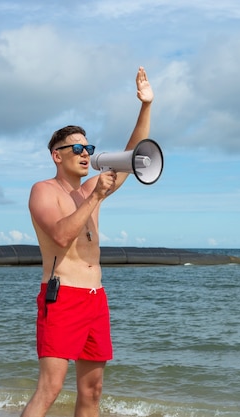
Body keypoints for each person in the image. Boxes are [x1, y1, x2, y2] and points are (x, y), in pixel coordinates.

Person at [21, 67, 153, 417]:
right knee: (49, 389)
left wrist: (146, 106)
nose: (85, 154)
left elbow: (133, 156)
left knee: (92, 392)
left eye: (88, 147)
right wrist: (96, 199)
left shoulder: (89, 189)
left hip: (96, 299)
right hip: (62, 296)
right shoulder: (43, 191)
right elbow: (62, 235)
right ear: (56, 155)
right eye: (77, 148)